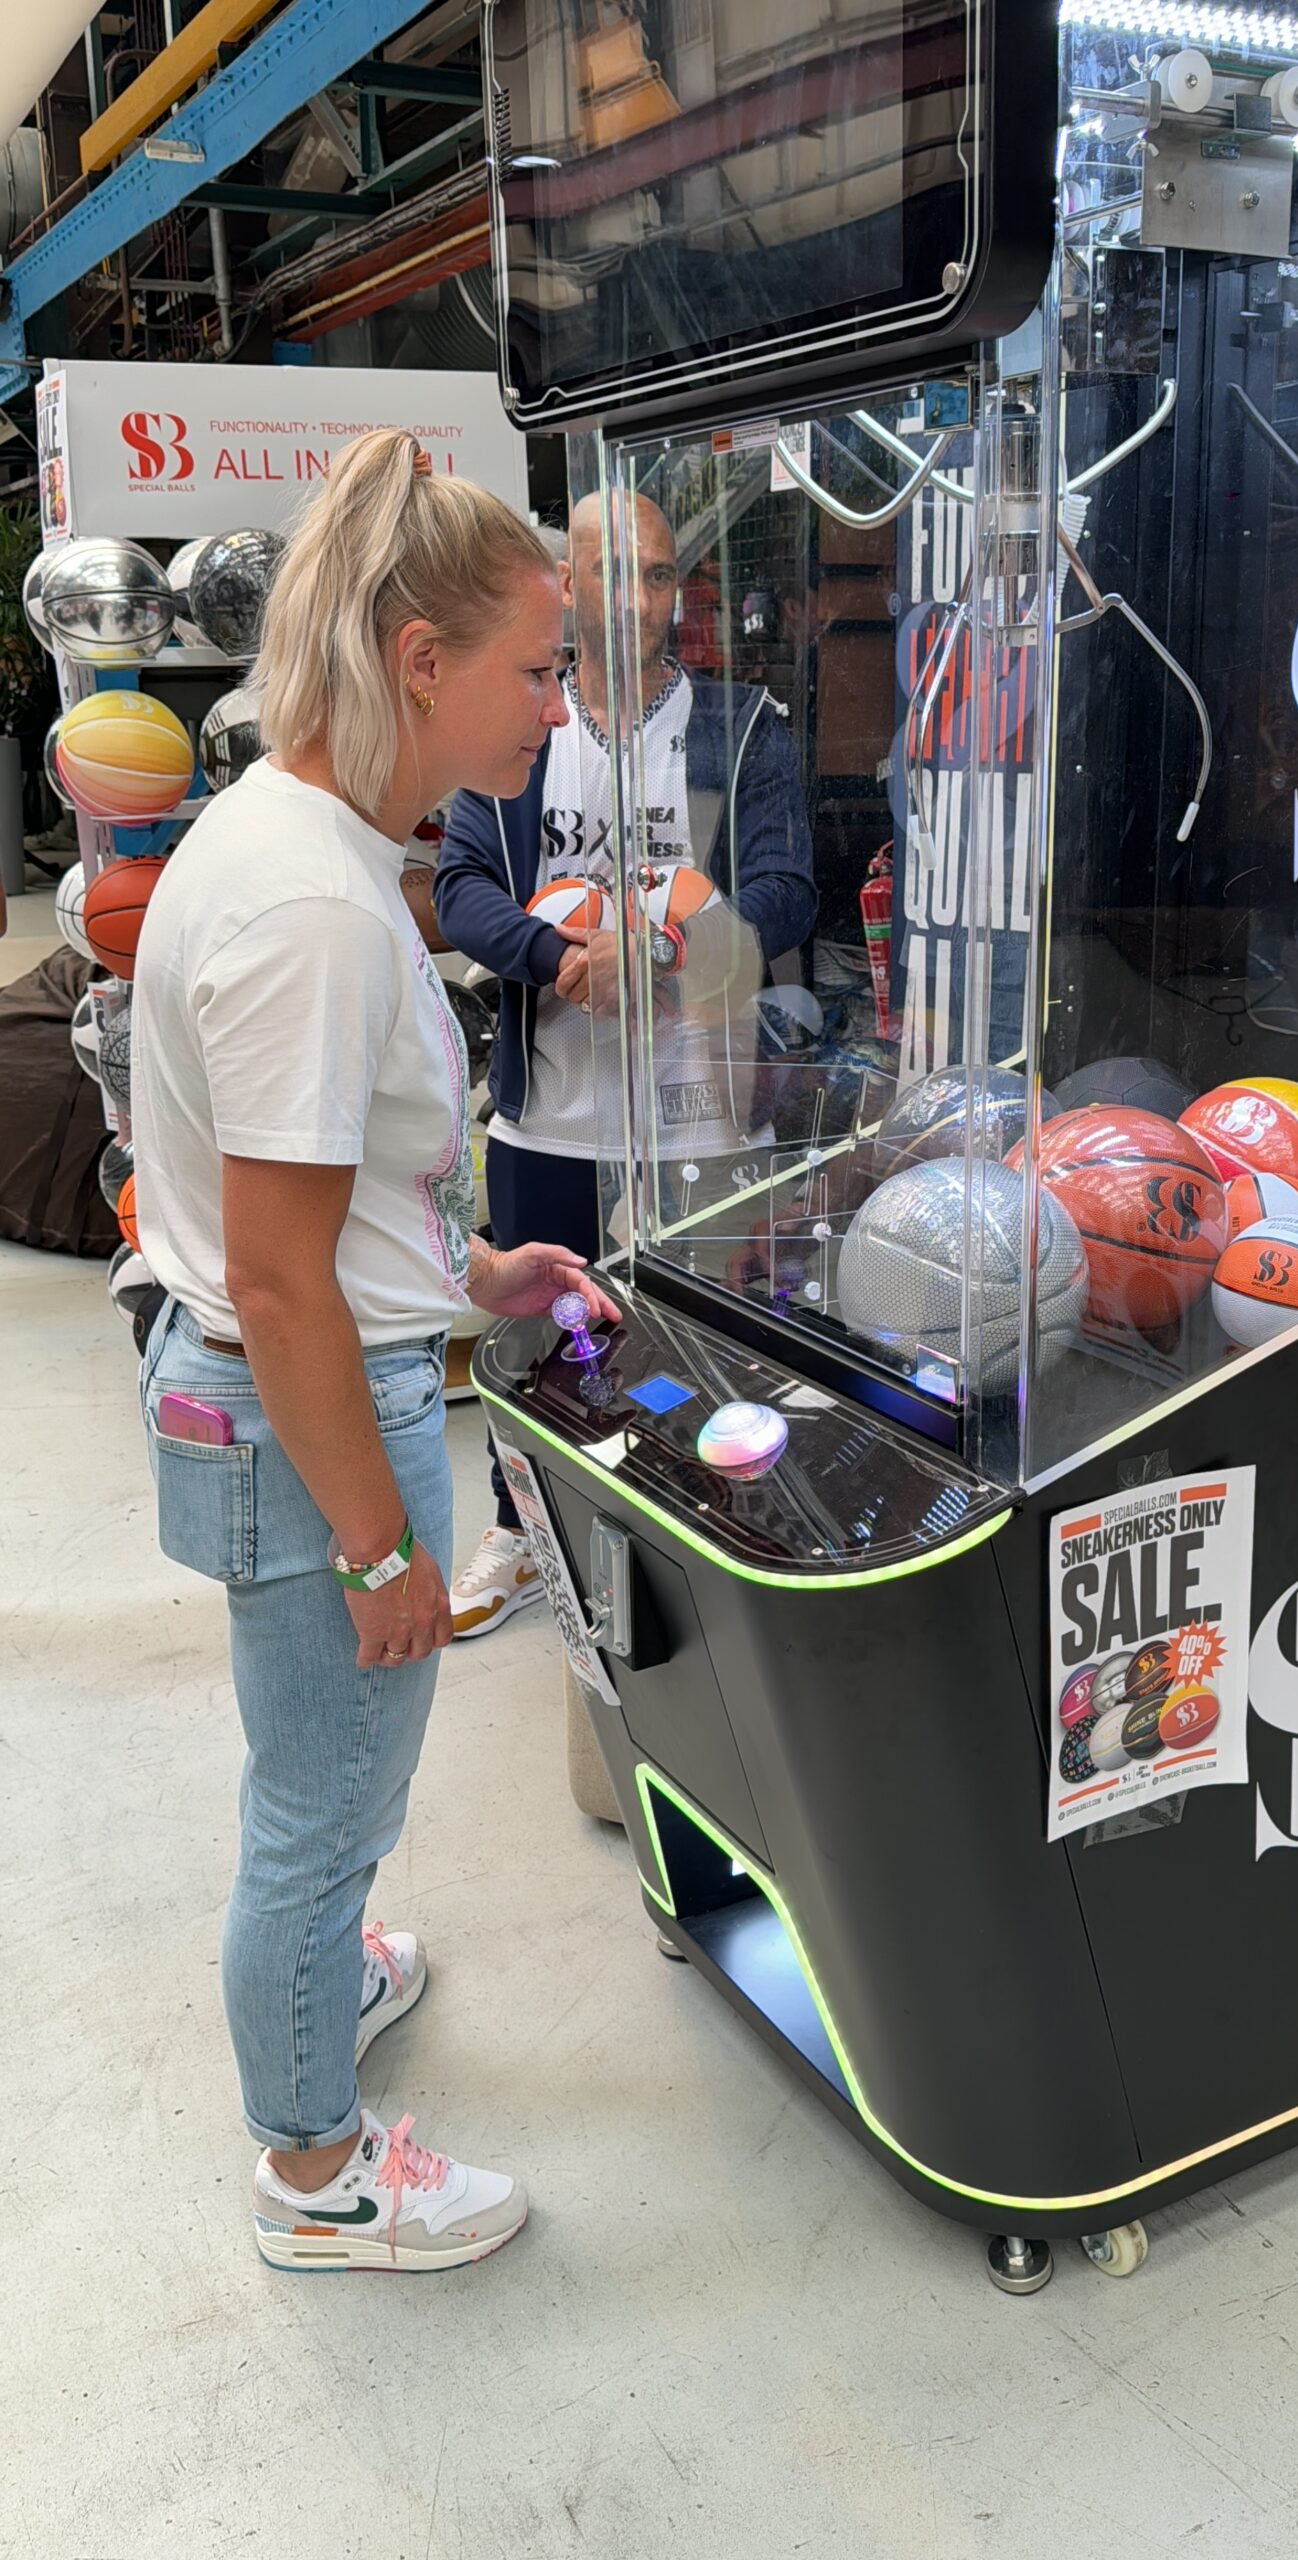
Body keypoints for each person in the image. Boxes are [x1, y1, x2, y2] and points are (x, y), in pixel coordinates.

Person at [130, 429, 616, 2273]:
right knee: (324, 1806)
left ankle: (328, 1988)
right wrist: (382, 1543)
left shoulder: (309, 841)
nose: (556, 712)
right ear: (424, 661)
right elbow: (274, 1280)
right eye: (538, 667)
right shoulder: (319, 908)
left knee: (326, 1781)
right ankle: (315, 2170)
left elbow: (325, 1208)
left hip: (308, 1387)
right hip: (301, 1414)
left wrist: (473, 1266)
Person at [435, 490, 817, 1636]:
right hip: (551, 1117)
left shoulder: (742, 724)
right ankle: (519, 1522)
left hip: (701, 1117)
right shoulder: (518, 723)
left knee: (698, 1347)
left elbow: (789, 887)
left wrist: (658, 953)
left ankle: (688, 1533)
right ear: (567, 582)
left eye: (658, 575)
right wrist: (559, 958)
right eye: (614, 573)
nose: (640, 599)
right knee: (539, 1340)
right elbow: (460, 892)